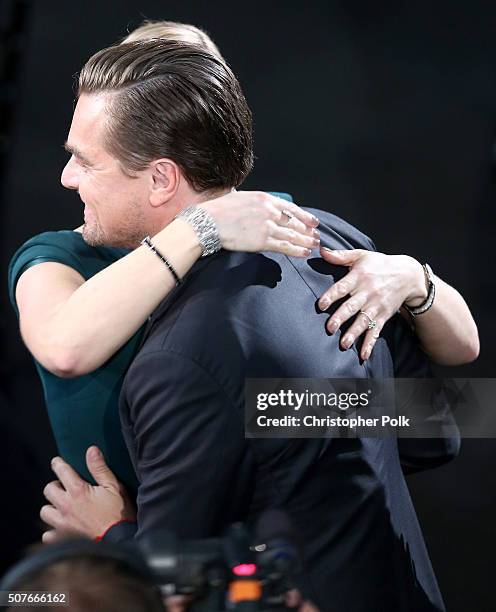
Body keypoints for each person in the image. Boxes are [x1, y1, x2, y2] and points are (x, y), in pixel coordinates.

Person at [38, 39, 477, 611]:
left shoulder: (178, 361)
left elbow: (171, 596)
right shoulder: (331, 241)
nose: (67, 177)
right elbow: (435, 434)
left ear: (161, 180)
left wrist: (109, 534)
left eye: (85, 160)